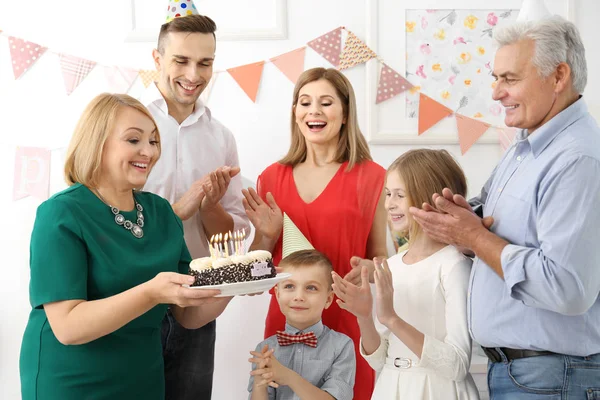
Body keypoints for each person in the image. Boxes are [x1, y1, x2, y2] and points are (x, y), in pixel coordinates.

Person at [410, 16, 600, 399]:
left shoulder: (577, 160)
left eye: (509, 79)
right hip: (524, 376)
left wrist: (475, 237)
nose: (496, 93)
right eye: (495, 78)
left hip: (552, 378)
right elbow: (490, 229)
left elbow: (568, 288)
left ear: (558, 76)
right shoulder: (523, 147)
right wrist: (462, 223)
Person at [19, 93, 229, 400]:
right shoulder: (62, 213)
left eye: (154, 141)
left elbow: (189, 315)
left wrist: (237, 286)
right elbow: (67, 326)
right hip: (70, 381)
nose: (148, 151)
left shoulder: (160, 213)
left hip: (141, 378)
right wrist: (150, 293)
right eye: (133, 140)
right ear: (98, 142)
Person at [242, 67, 388, 399]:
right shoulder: (270, 178)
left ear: (345, 113)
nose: (314, 111)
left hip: (347, 318)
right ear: (295, 113)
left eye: (326, 103)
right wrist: (265, 236)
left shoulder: (374, 177)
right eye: (305, 102)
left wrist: (369, 268)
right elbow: (258, 270)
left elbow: (381, 257)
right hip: (286, 319)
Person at [140, 8, 249, 399]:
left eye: (205, 63)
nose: (193, 75)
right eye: (181, 60)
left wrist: (210, 207)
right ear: (157, 59)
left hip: (199, 297)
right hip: (134, 295)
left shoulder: (222, 138)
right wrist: (183, 205)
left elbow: (229, 238)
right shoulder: (131, 128)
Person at [332, 149, 480, 399]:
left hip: (437, 391)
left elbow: (456, 365)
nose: (389, 203)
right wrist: (364, 316)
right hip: (392, 388)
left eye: (399, 195)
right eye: (388, 194)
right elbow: (379, 360)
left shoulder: (453, 266)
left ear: (429, 199)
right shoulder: (393, 265)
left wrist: (391, 318)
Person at [248, 249, 355, 400]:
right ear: (278, 294)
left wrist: (289, 377)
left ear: (328, 299)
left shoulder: (341, 346)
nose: (299, 297)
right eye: (289, 286)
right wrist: (260, 381)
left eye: (311, 288)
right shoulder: (265, 349)